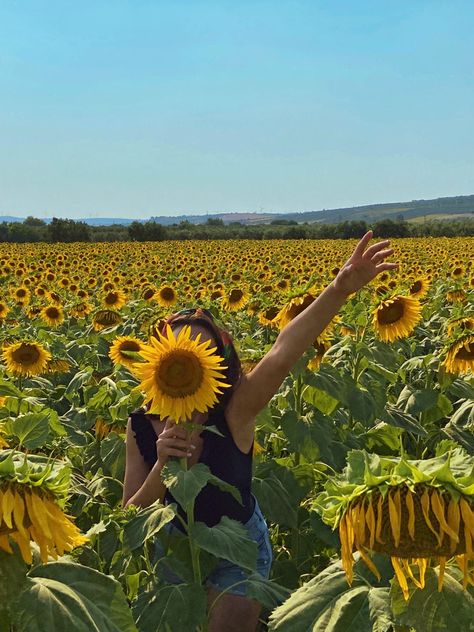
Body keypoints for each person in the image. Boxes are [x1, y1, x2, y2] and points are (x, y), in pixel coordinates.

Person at [122, 230, 397, 632]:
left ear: (217, 363)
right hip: (173, 553)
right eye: (179, 353)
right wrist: (163, 464)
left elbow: (284, 350)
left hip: (238, 551)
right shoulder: (140, 426)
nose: (187, 364)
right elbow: (130, 518)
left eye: (202, 354)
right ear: (159, 362)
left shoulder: (236, 409)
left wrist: (339, 289)